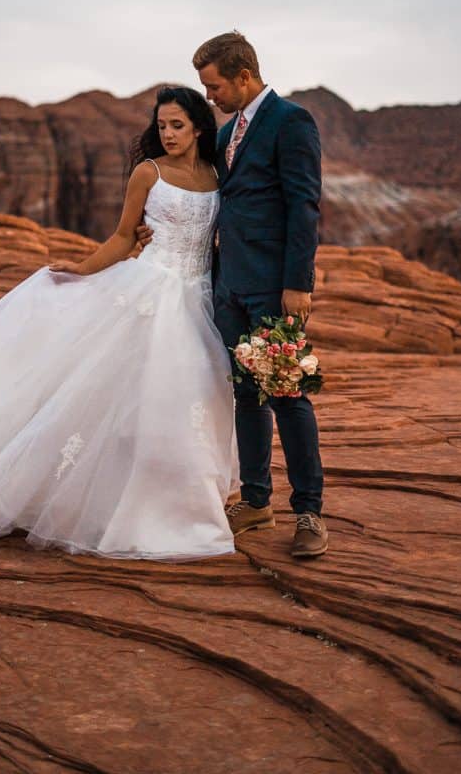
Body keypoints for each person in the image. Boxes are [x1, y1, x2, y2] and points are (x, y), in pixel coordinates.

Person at [0, 87, 237, 561]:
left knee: (193, 400)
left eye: (177, 125)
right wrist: (82, 268)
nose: (168, 134)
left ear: (199, 126)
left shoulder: (217, 173)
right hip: (151, 294)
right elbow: (123, 237)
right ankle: (126, 507)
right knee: (128, 400)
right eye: (161, 125)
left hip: (199, 296)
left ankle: (184, 500)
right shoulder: (149, 172)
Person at [139, 33, 327, 558]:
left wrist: (297, 284)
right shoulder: (225, 136)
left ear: (243, 77)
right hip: (228, 287)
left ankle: (309, 512)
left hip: (274, 287)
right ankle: (257, 501)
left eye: (215, 85)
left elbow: (304, 205)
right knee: (246, 395)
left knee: (288, 395)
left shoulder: (292, 122)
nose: (212, 95)